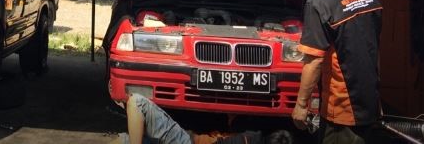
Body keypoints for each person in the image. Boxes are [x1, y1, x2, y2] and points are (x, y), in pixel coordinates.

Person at [291, 0, 383, 143]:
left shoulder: (318, 3)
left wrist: (301, 105)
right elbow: (375, 50)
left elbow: (314, 61)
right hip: (370, 103)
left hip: (342, 111)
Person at [118, 93, 293, 144]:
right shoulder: (249, 135)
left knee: (136, 102)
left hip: (186, 141)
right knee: (124, 139)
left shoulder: (249, 139)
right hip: (187, 138)